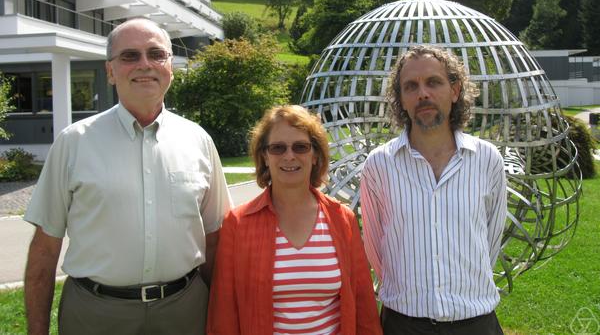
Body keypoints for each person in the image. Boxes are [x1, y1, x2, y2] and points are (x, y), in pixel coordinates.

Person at [23, 18, 232, 335]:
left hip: (185, 311)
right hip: (96, 314)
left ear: (169, 67)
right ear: (110, 72)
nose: (144, 65)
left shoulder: (198, 141)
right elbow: (44, 249)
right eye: (130, 56)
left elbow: (215, 240)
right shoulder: (74, 142)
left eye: (155, 54)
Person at [360, 45, 507, 335]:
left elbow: (490, 240)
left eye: (434, 82)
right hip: (403, 325)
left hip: (476, 324)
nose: (423, 94)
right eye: (411, 86)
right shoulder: (378, 165)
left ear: (455, 90)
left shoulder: (487, 159)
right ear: (400, 99)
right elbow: (376, 250)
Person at [207, 105, 382, 335]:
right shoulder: (238, 224)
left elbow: (363, 306)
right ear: (265, 157)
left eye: (300, 147)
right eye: (278, 148)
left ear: (315, 155)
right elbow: (224, 315)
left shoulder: (342, 219)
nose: (289, 156)